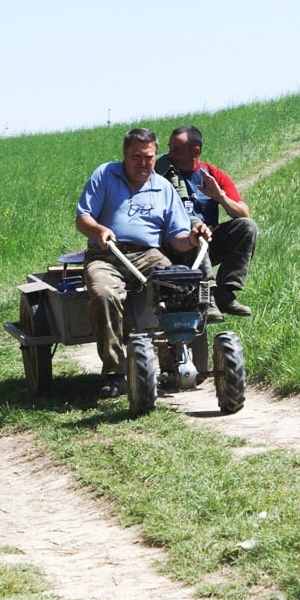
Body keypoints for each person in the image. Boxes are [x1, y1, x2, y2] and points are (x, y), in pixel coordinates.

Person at [76, 127, 211, 398]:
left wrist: (194, 238)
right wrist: (100, 231)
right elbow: (83, 218)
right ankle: (115, 372)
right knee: (103, 294)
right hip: (108, 253)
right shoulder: (105, 175)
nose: (143, 162)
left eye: (149, 157)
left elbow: (177, 238)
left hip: (148, 254)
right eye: (136, 156)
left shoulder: (163, 187)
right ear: (125, 155)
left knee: (179, 284)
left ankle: (175, 358)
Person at [155, 125, 257, 317]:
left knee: (247, 227)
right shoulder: (160, 172)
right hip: (174, 242)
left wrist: (219, 196)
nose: (170, 154)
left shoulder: (211, 174)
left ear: (196, 151)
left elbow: (244, 213)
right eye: (170, 148)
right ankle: (207, 293)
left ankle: (224, 293)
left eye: (176, 149)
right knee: (194, 224)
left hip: (207, 243)